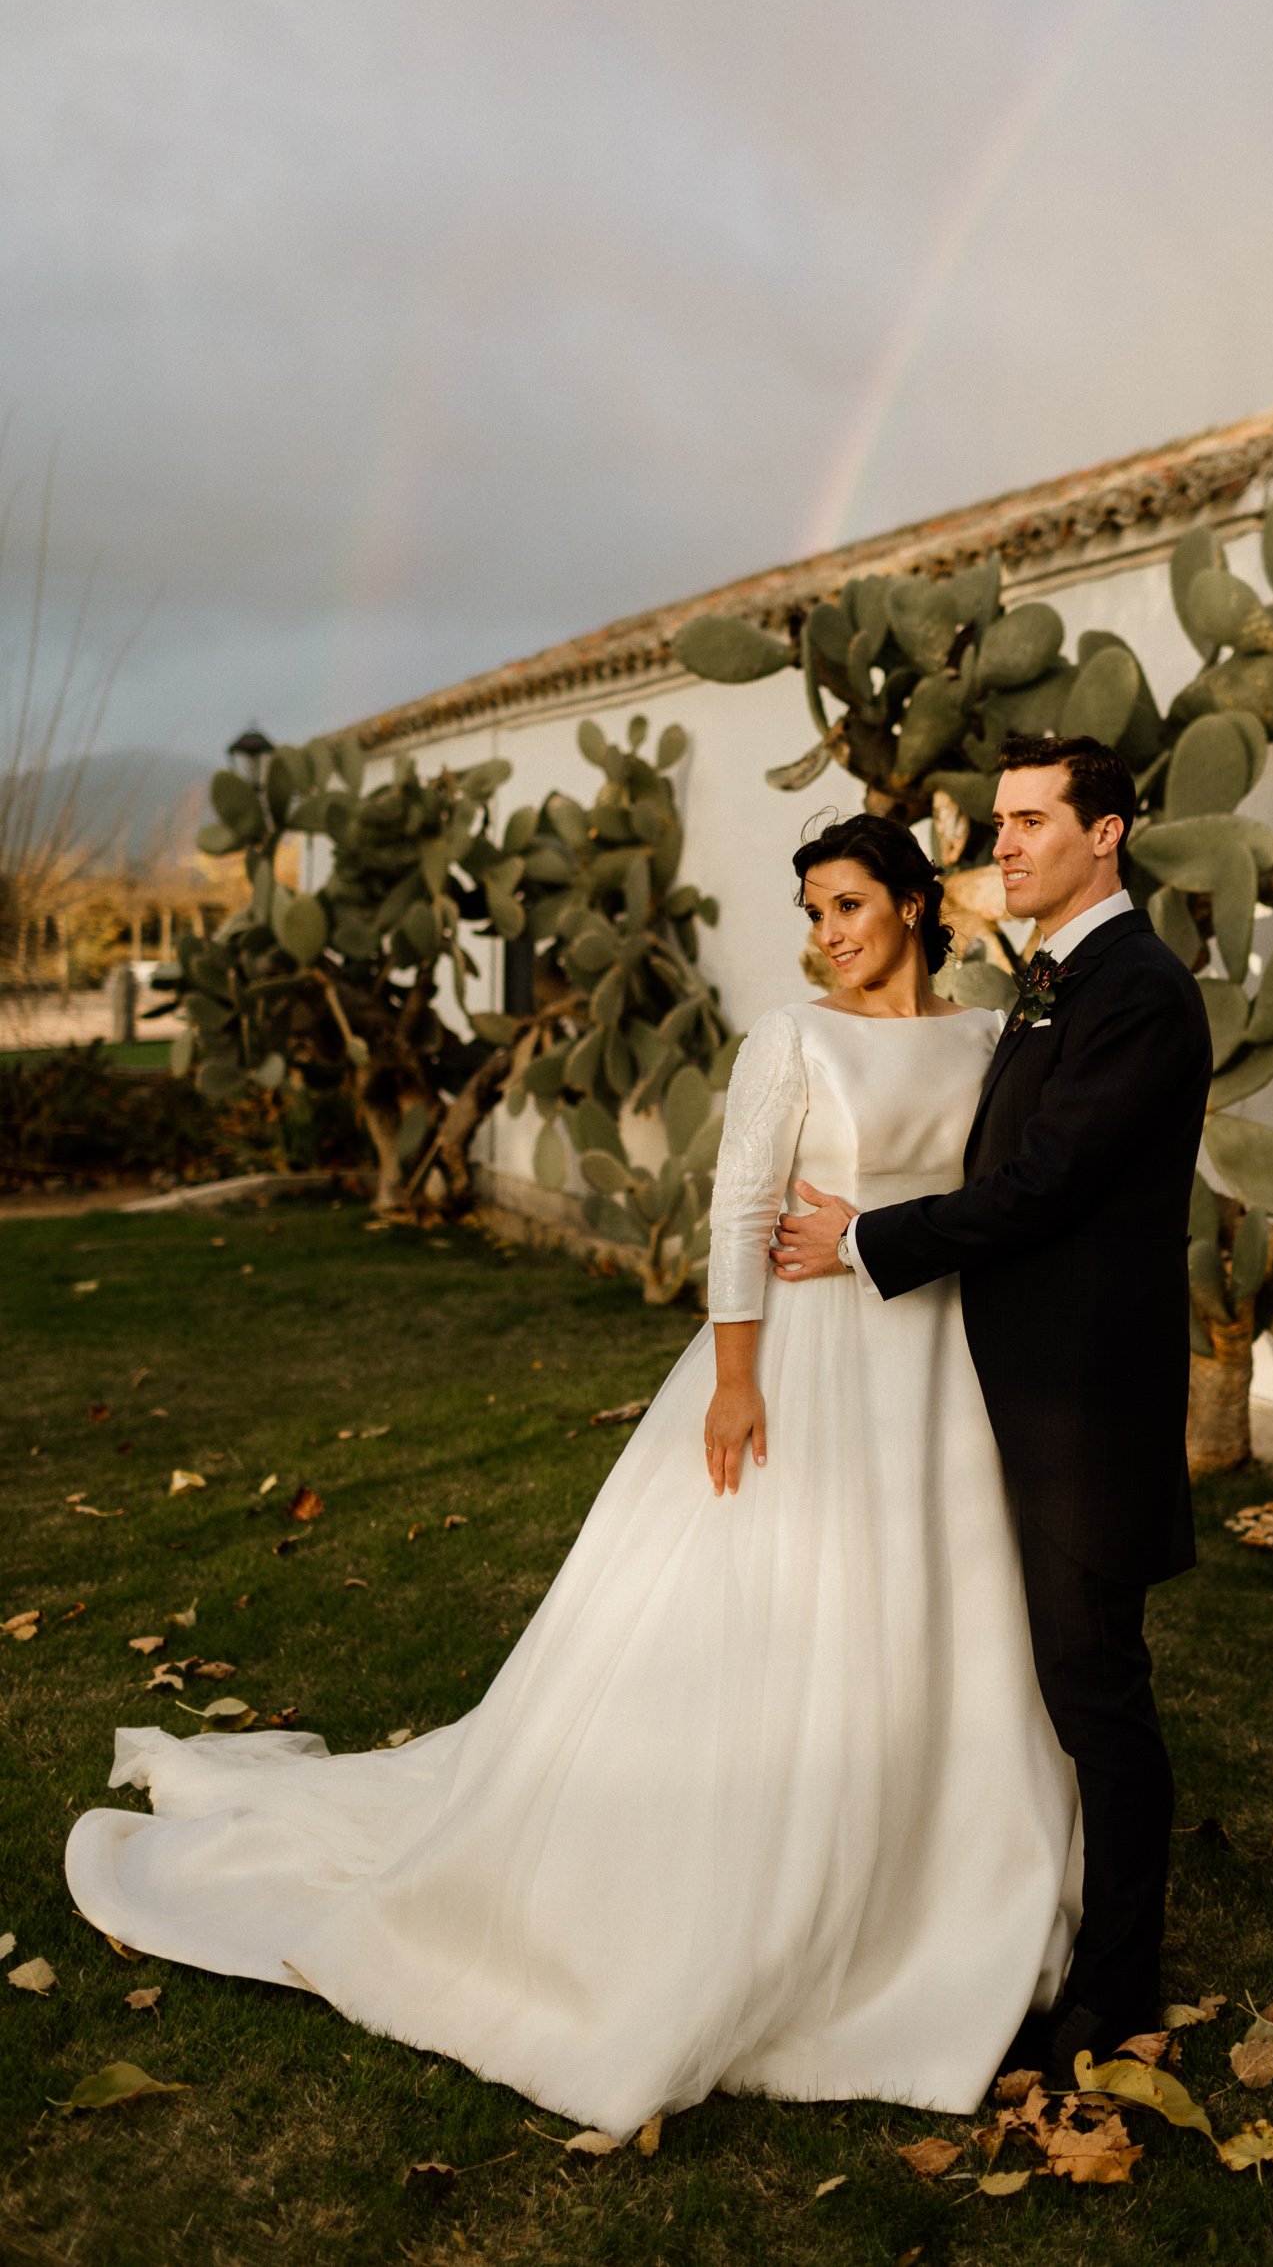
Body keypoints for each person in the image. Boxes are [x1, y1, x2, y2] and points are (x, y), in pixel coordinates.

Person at [64, 815, 1078, 2139]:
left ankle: (941, 1889)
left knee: (944, 1620)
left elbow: (989, 1197)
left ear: (911, 902)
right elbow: (735, 1211)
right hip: (806, 1364)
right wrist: (732, 1378)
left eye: (846, 905)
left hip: (938, 1364)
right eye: (812, 911)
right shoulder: (792, 1036)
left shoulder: (987, 1035)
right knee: (780, 1624)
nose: (825, 935)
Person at [773, 733, 1213, 2085]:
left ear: (1108, 834)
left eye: (1030, 823)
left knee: (1097, 1694)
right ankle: (1042, 1927)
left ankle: (1121, 1985)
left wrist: (865, 1240)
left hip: (1082, 1407)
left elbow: (1047, 1186)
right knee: (1055, 1689)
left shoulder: (1136, 991)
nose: (1003, 845)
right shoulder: (1051, 980)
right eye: (1002, 824)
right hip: (1012, 1390)